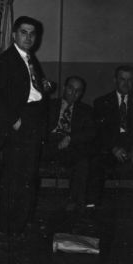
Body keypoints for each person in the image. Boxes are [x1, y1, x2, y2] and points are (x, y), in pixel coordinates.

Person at [0, 15, 53, 237]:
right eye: (24, 32)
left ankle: (20, 223)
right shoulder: (6, 60)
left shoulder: (30, 58)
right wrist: (13, 121)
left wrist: (43, 87)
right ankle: (8, 227)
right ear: (14, 35)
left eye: (32, 33)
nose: (28, 37)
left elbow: (27, 87)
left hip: (34, 120)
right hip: (20, 124)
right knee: (14, 178)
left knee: (28, 176)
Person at [42, 76, 95, 210]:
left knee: (82, 161)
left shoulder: (86, 110)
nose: (73, 93)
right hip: (49, 144)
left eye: (78, 90)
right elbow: (39, 127)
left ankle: (75, 202)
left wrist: (70, 138)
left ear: (82, 93)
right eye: (71, 88)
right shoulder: (49, 105)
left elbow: (90, 132)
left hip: (70, 146)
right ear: (65, 88)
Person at [87, 65, 133, 207]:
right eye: (122, 79)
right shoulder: (101, 102)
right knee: (95, 163)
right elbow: (99, 132)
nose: (126, 83)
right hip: (110, 150)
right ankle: (91, 206)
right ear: (115, 80)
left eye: (130, 80)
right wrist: (113, 148)